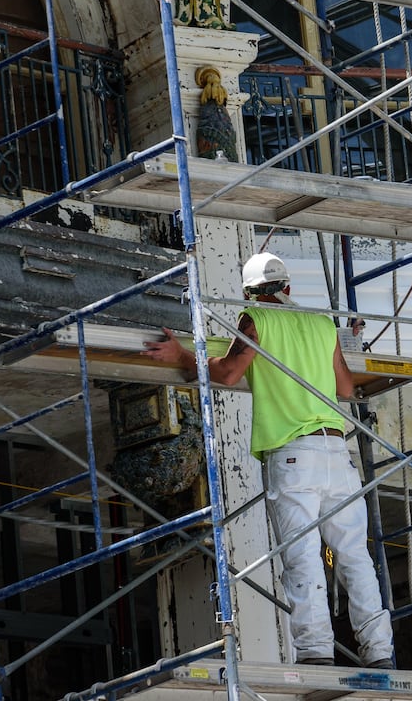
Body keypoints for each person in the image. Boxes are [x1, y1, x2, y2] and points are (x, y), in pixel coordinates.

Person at [140, 252, 396, 670]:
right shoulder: (319, 323)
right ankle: (380, 652)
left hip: (294, 455)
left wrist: (182, 356)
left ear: (249, 294)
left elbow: (227, 373)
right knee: (354, 555)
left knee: (303, 556)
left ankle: (316, 652)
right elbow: (347, 387)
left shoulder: (255, 319)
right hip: (336, 451)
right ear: (288, 288)